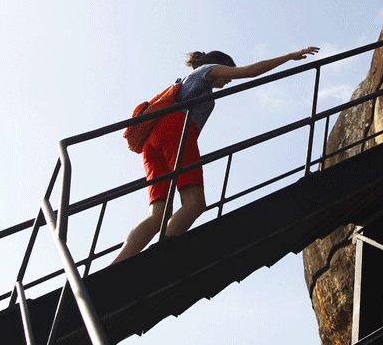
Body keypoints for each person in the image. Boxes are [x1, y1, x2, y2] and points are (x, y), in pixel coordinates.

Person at [111, 45, 320, 263]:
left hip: (153, 140)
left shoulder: (186, 81)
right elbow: (250, 71)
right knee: (195, 203)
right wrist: (288, 56)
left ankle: (115, 268)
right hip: (175, 129)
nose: (228, 79)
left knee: (157, 214)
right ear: (222, 66)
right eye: (229, 73)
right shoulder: (207, 71)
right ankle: (157, 261)